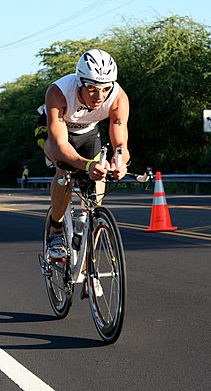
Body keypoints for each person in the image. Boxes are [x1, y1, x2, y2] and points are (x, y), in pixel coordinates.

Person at [36, 48, 130, 261]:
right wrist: (87, 165)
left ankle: (89, 250)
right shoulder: (58, 92)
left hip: (87, 132)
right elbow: (60, 145)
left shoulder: (118, 98)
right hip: (56, 132)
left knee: (99, 182)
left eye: (106, 89)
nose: (99, 97)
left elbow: (121, 143)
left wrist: (120, 162)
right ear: (79, 82)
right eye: (92, 89)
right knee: (64, 168)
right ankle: (56, 230)